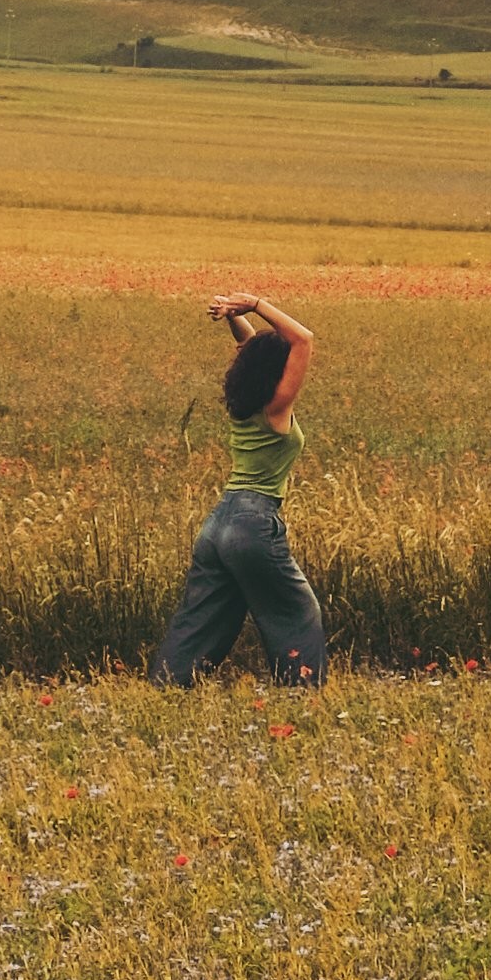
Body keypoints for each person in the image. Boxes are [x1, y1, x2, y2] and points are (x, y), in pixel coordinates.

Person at [152, 284, 327, 687]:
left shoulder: (245, 405)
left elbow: (250, 346)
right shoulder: (277, 407)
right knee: (298, 614)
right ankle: (304, 695)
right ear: (277, 372)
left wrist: (233, 315)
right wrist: (255, 304)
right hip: (252, 524)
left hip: (217, 525)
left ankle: (166, 687)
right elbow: (304, 339)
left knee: (200, 619)